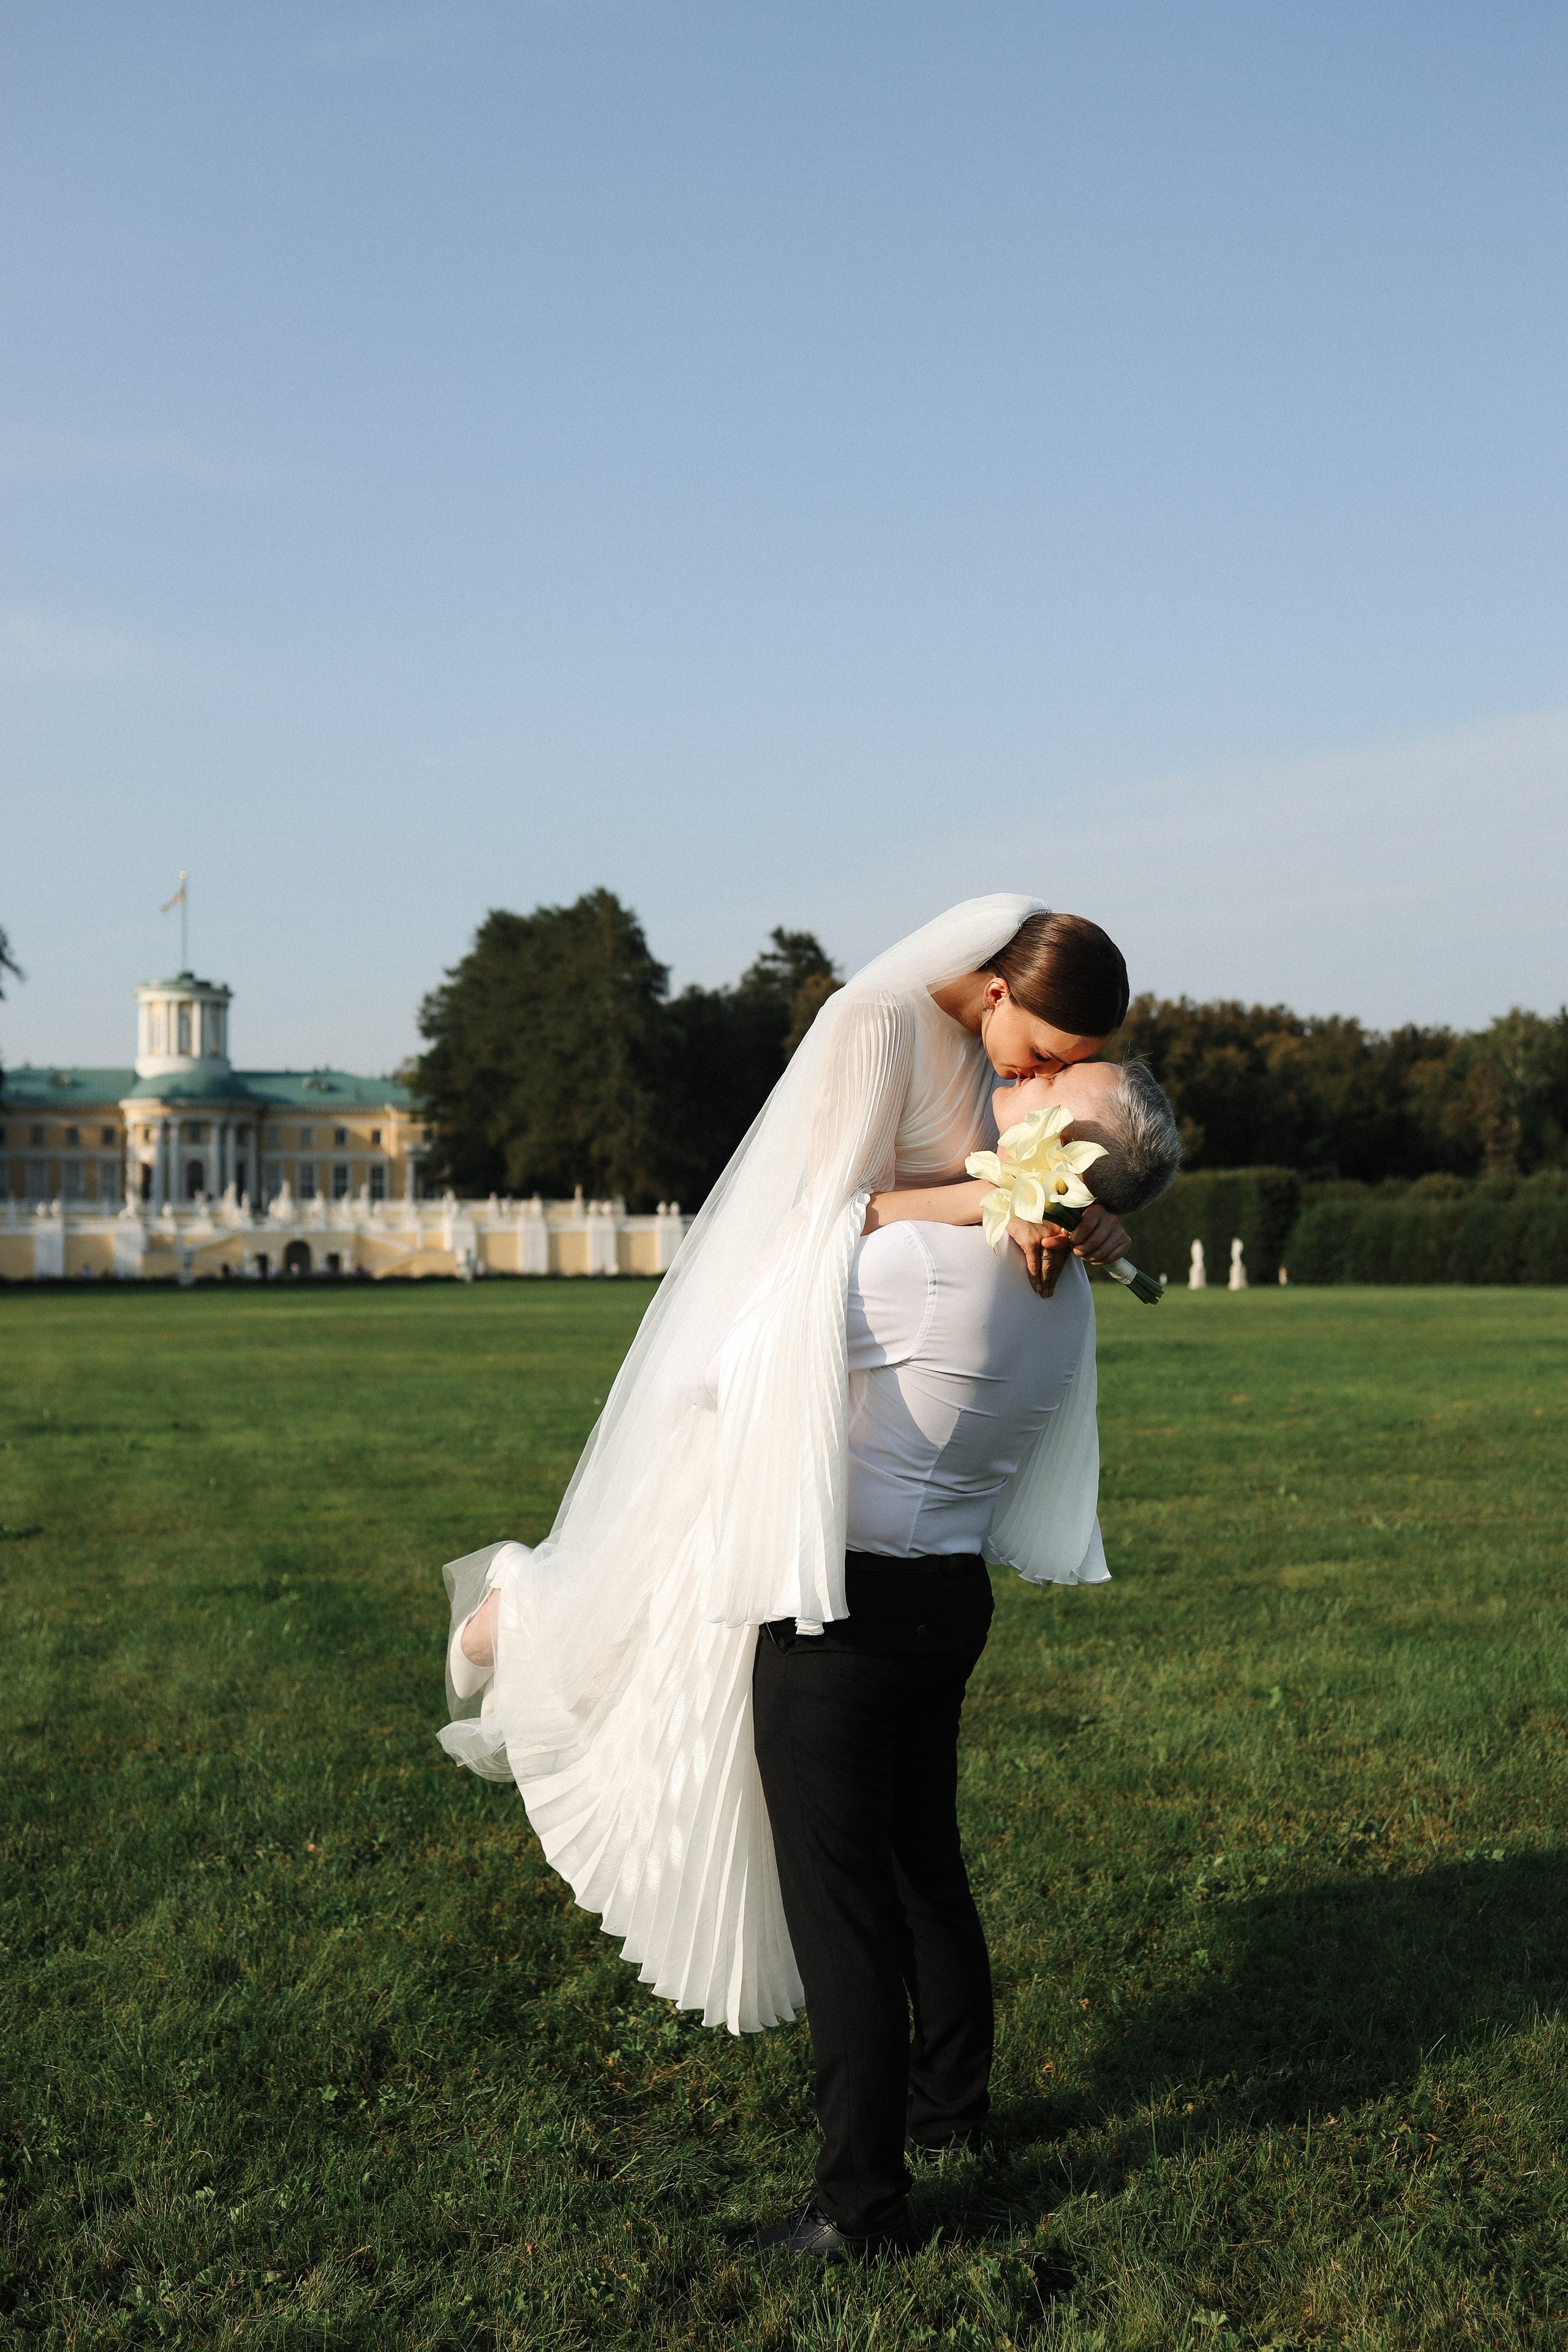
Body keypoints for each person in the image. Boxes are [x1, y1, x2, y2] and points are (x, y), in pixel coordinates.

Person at [438, 901, 1139, 2041]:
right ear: (1001, 992)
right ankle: (518, 1620)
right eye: (1052, 1056)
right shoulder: (875, 1021)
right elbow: (822, 1219)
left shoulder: (990, 1061)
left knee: (736, 1686)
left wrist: (1086, 1213)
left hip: (874, 1375)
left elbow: (1011, 1199)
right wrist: (1004, 1195)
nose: (1054, 1085)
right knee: (656, 1613)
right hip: (796, 1352)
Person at [748, 1055, 1180, 2259]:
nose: (1018, 1072)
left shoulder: (928, 1261)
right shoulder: (1064, 1285)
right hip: (944, 1598)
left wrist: (886, 1205)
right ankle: (948, 2111)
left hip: (844, 1611)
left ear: (1061, 1146)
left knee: (844, 1913)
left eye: (1053, 1076)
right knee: (919, 1869)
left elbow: (759, 1314)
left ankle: (857, 2206)